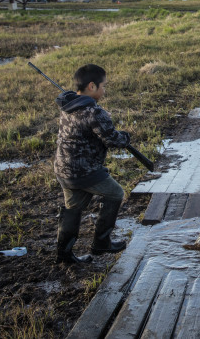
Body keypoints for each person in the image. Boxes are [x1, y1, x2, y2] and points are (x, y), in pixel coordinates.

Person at [54, 64, 131, 264]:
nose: (105, 90)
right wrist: (126, 136)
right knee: (116, 193)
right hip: (85, 171)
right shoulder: (94, 112)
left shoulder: (68, 104)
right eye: (103, 86)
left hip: (64, 169)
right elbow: (114, 140)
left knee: (73, 207)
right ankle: (102, 242)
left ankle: (64, 254)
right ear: (91, 86)